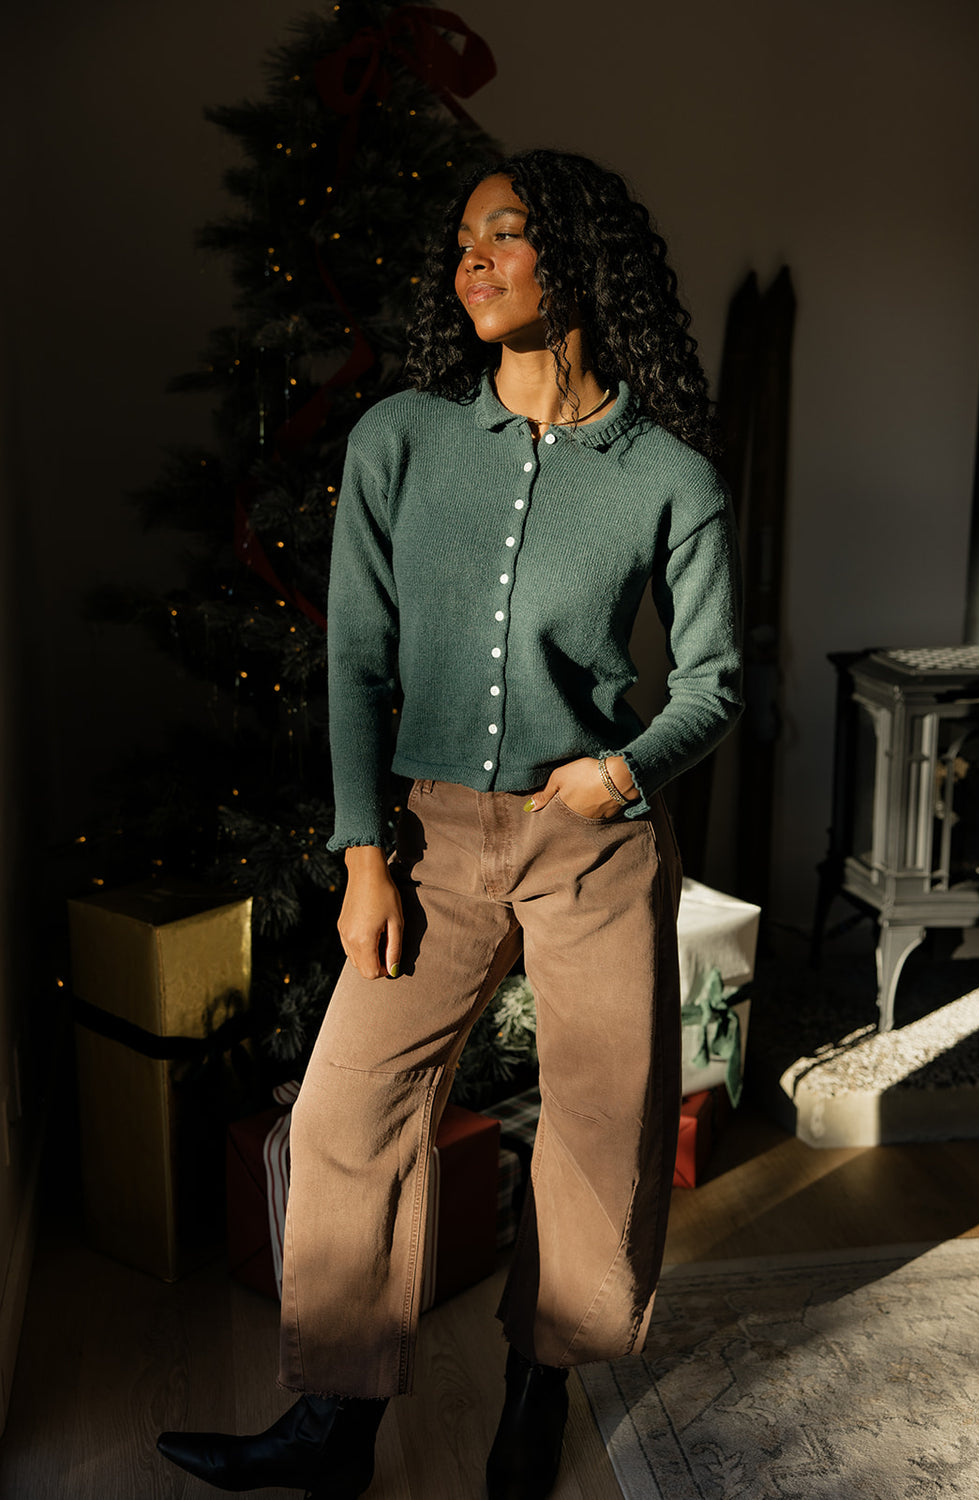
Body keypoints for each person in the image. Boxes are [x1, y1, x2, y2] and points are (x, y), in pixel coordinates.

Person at [158, 148, 743, 1500]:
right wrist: (364, 854)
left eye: (505, 234)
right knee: (345, 1115)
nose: (470, 260)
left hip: (592, 842)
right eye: (462, 242)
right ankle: (333, 1433)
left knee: (602, 1132)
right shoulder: (401, 440)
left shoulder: (668, 474)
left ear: (580, 259)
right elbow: (357, 656)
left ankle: (538, 1394)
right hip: (428, 840)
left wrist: (622, 772)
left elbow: (715, 683)